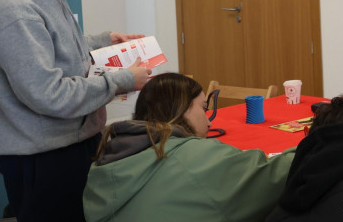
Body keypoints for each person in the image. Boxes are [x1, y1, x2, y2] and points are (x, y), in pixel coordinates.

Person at [0, 0, 151, 220]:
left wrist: (101, 42)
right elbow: (47, 93)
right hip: (43, 155)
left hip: (67, 143)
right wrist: (121, 80)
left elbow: (51, 51)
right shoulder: (14, 8)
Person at [83, 73, 295, 221]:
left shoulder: (107, 162)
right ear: (181, 109)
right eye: (204, 109)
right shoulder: (195, 157)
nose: (210, 122)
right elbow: (273, 177)